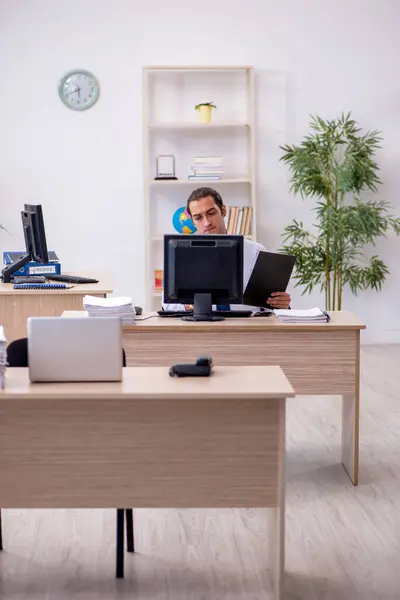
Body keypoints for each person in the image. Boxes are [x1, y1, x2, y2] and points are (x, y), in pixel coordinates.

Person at [162, 187, 291, 312]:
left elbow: (269, 307)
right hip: (203, 328)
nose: (207, 223)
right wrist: (186, 305)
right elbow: (166, 303)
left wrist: (281, 304)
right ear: (192, 221)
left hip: (247, 329)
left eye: (211, 213)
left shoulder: (256, 251)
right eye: (198, 218)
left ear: (223, 211)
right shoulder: (181, 254)